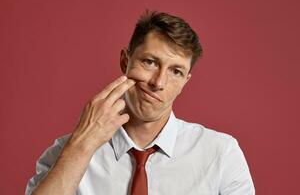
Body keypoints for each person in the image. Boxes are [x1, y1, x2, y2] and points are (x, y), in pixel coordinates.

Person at [25, 10, 255, 195]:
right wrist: (83, 146)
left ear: (186, 81)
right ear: (125, 61)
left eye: (175, 71)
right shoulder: (67, 152)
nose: (158, 82)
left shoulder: (221, 153)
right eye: (150, 62)